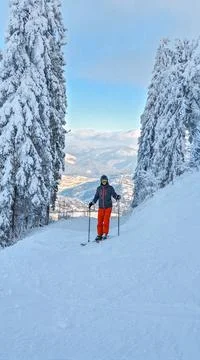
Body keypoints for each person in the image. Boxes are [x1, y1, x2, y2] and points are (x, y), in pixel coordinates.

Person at [89, 175, 121, 241]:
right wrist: (92, 203)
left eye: (105, 181)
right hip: (101, 207)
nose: (104, 182)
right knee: (99, 222)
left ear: (107, 181)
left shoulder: (110, 188)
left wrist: (117, 196)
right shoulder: (99, 189)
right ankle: (99, 234)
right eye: (103, 181)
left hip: (108, 207)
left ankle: (105, 234)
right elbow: (96, 197)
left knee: (106, 221)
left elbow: (114, 194)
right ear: (101, 181)